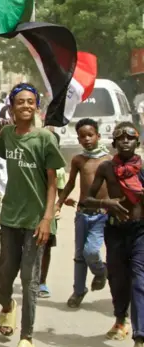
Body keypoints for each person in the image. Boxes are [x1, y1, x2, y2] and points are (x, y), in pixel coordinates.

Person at [0, 83, 66, 347]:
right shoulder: (7, 136)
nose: (25, 106)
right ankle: (6, 305)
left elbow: (52, 184)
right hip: (10, 217)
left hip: (37, 220)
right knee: (4, 275)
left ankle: (26, 336)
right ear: (11, 108)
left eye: (30, 102)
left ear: (37, 106)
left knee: (29, 279)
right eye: (19, 102)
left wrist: (48, 218)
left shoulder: (45, 139)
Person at [82, 122, 144, 347]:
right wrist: (105, 204)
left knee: (140, 279)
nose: (126, 141)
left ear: (137, 143)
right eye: (121, 138)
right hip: (115, 231)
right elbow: (86, 200)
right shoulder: (107, 168)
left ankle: (140, 341)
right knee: (118, 278)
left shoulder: (142, 168)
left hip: (140, 231)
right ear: (114, 143)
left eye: (131, 137)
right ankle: (120, 319)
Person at [55, 118, 111, 307]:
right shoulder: (79, 160)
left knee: (91, 251)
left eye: (90, 135)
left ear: (98, 136)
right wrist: (59, 203)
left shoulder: (108, 160)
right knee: (79, 255)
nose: (87, 139)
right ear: (78, 139)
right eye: (82, 136)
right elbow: (70, 184)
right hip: (82, 213)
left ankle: (101, 271)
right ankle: (79, 291)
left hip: (102, 214)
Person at [37, 131, 67, 299]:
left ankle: (42, 281)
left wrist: (59, 204)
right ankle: (30, 277)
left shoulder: (59, 169)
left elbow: (61, 190)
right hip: (29, 213)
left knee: (45, 248)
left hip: (48, 215)